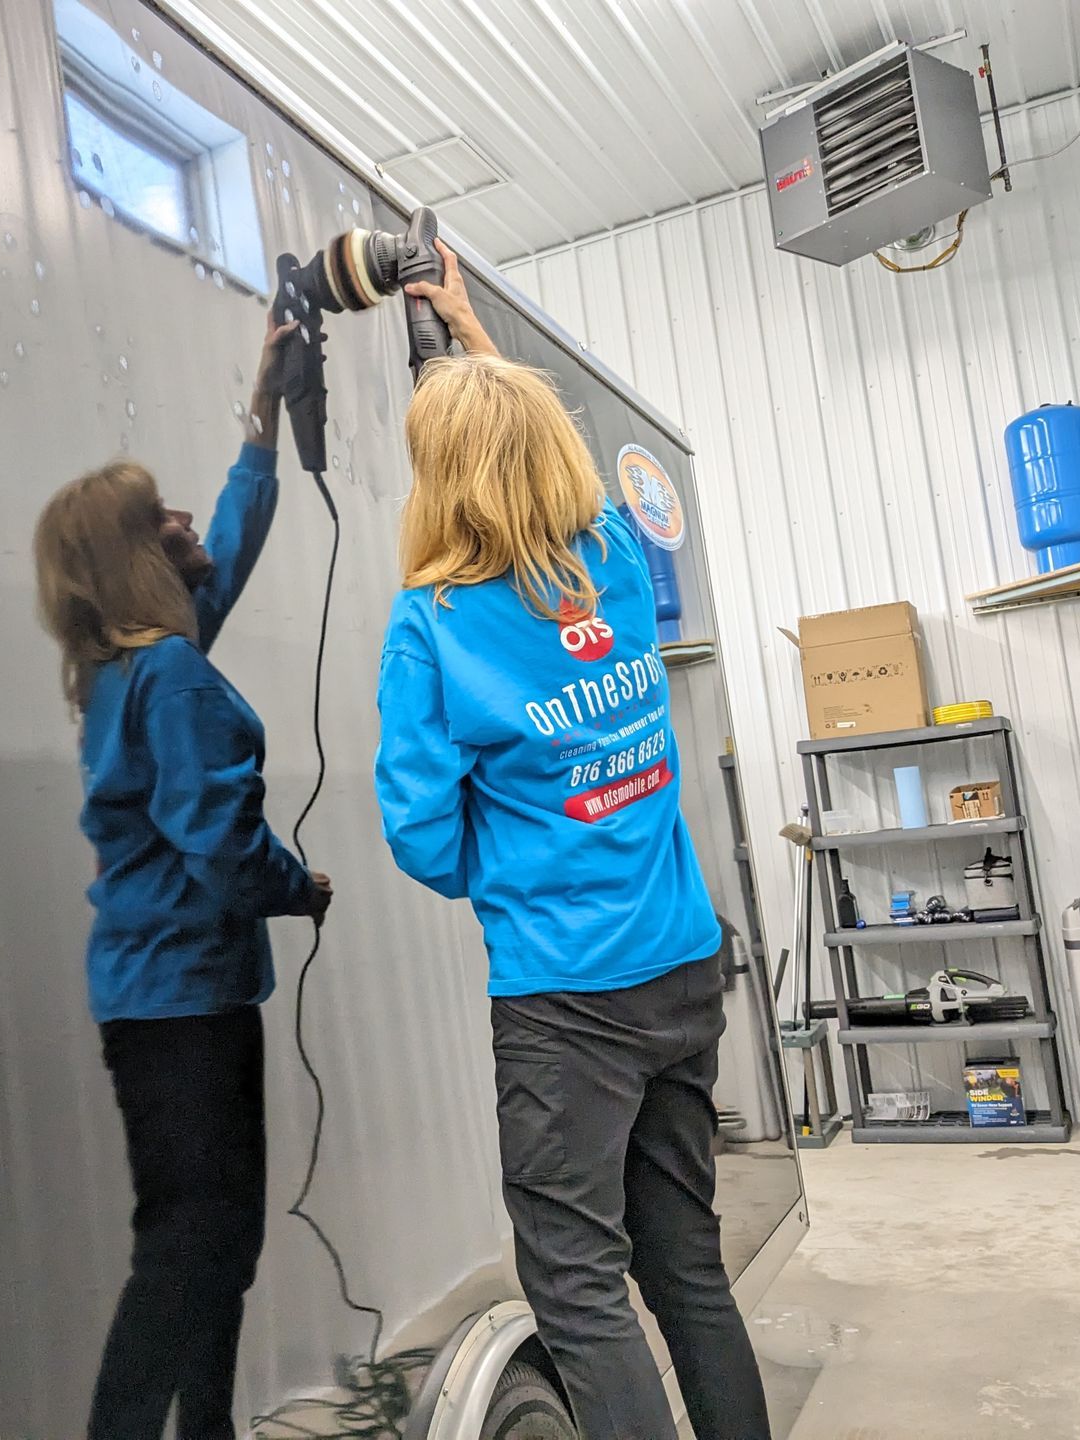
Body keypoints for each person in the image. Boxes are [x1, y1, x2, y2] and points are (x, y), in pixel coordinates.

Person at [373, 243, 772, 1440]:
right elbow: (567, 471)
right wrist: (473, 331)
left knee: (580, 1286)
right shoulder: (606, 563)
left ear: (436, 480)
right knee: (684, 1266)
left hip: (569, 1002)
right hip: (683, 966)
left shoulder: (433, 626)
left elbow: (422, 841)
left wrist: (511, 846)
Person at [33, 313, 333, 1440]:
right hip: (184, 1006)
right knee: (194, 1249)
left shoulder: (135, 668)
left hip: (163, 1000)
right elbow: (223, 853)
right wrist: (300, 887)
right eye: (158, 517)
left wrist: (263, 408)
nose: (184, 517)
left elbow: (238, 534)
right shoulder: (175, 681)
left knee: (215, 1247)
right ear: (133, 559)